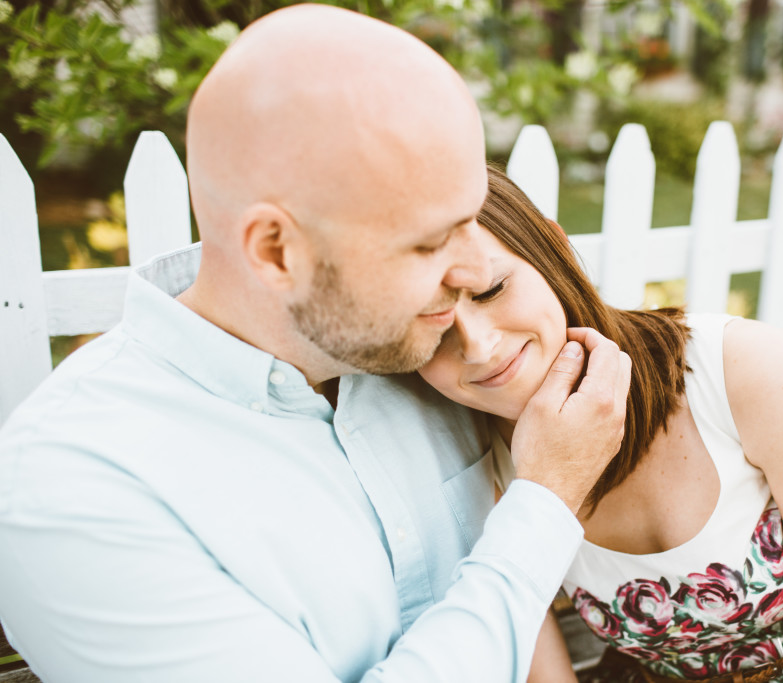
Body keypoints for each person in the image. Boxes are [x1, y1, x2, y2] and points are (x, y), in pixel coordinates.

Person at [0, 6, 632, 683]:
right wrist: (543, 503)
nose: (474, 270)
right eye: (428, 242)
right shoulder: (76, 489)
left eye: (469, 220)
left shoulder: (423, 353)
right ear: (276, 251)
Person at [417, 166, 783, 683]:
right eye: (434, 325)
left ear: (552, 246)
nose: (479, 346)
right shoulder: (475, 466)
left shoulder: (745, 372)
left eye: (491, 290)